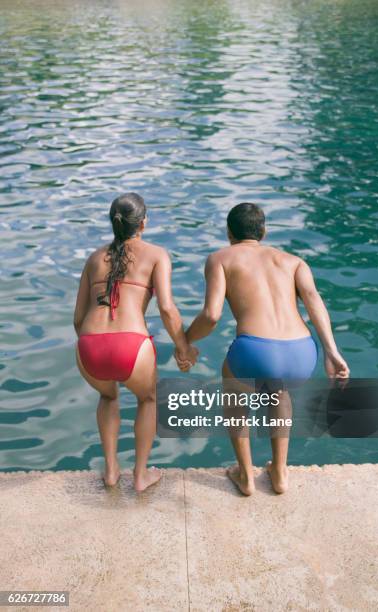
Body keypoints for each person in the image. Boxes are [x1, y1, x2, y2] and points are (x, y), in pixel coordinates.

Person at [178, 202, 349, 496]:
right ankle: (280, 473)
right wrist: (332, 352)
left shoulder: (220, 259)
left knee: (233, 393)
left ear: (228, 233)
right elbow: (314, 300)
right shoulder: (293, 261)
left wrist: (186, 340)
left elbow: (212, 315)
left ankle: (245, 475)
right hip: (302, 352)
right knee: (278, 391)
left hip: (255, 350)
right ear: (264, 231)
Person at [73, 193, 197, 491]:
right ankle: (141, 475)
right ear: (143, 223)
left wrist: (97, 348)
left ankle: (111, 471)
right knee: (148, 399)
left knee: (108, 397)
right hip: (131, 344)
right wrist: (183, 348)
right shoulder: (156, 254)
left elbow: (78, 318)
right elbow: (167, 308)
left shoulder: (93, 258)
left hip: (89, 345)